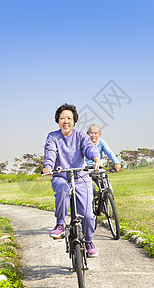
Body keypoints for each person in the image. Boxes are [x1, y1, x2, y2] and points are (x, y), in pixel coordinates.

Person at [42, 104, 101, 258]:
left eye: (69, 118)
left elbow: (89, 148)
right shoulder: (53, 137)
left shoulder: (81, 136)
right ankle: (60, 224)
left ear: (74, 120)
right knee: (62, 188)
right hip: (61, 176)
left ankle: (89, 241)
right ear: (58, 121)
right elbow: (50, 152)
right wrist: (48, 166)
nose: (66, 121)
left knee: (88, 216)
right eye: (62, 118)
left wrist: (96, 158)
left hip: (81, 177)